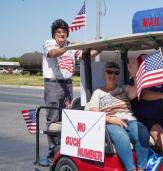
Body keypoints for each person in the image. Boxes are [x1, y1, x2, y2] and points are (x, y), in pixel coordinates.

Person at [43, 19, 98, 157]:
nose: (62, 34)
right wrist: (69, 48)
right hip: (54, 84)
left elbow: (86, 56)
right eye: (58, 32)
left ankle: (65, 146)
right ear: (54, 34)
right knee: (53, 117)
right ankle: (53, 150)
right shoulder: (50, 43)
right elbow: (52, 53)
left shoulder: (70, 47)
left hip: (67, 84)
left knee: (67, 116)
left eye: (64, 32)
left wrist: (101, 47)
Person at [85, 61, 150, 171]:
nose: (113, 75)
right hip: (110, 122)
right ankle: (130, 168)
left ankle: (141, 168)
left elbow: (137, 91)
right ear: (104, 75)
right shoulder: (98, 93)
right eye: (109, 72)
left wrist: (134, 75)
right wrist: (112, 120)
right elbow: (94, 114)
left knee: (143, 130)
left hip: (129, 120)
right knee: (121, 136)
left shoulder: (124, 89)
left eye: (116, 73)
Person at [130, 54, 163, 154]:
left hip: (160, 115)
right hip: (143, 118)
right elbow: (143, 94)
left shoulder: (158, 81)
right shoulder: (136, 81)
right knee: (156, 130)